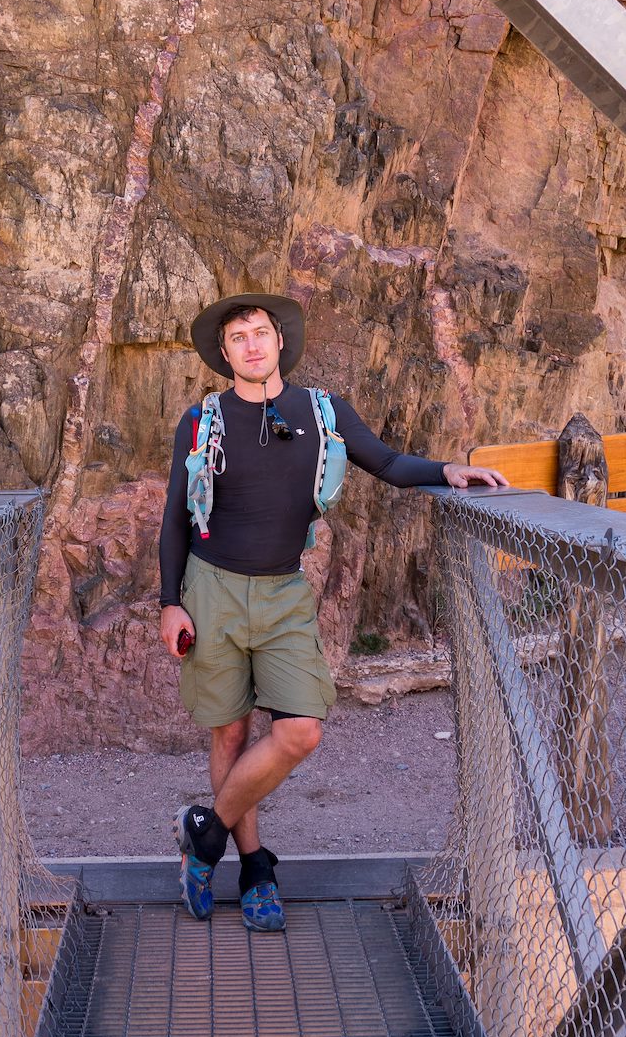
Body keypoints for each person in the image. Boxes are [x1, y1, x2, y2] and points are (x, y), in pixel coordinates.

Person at [158, 291, 509, 931]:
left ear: (280, 341)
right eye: (239, 338)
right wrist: (168, 604)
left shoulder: (321, 411)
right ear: (225, 352)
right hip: (210, 588)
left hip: (284, 592)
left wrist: (449, 469)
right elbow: (176, 517)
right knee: (231, 732)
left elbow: (388, 462)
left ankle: (202, 835)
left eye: (261, 333)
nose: (253, 345)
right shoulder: (202, 419)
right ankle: (256, 867)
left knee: (300, 730)